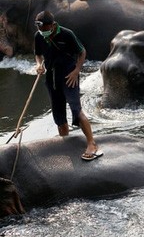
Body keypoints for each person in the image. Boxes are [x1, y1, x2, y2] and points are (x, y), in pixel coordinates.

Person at [34, 11, 102, 161]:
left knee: (76, 109)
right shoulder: (38, 36)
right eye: (41, 29)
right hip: (51, 78)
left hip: (69, 76)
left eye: (45, 29)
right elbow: (38, 54)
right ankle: (64, 141)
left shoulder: (67, 34)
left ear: (52, 25)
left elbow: (82, 51)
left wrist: (77, 70)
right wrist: (39, 65)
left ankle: (92, 143)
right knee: (59, 115)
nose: (43, 32)